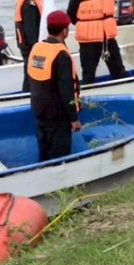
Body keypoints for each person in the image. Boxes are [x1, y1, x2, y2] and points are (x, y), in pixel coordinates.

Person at [26, 10, 81, 161]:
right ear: (64, 31)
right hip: (57, 115)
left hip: (39, 110)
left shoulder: (36, 48)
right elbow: (66, 90)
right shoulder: (61, 54)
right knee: (59, 155)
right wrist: (73, 118)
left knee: (44, 151)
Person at [67, 0, 127, 84]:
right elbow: (70, 14)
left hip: (108, 37)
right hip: (89, 39)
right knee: (88, 73)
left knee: (119, 69)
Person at [14, 0, 43, 91]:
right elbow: (30, 28)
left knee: (33, 70)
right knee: (31, 71)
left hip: (31, 44)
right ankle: (26, 94)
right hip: (30, 45)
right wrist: (36, 46)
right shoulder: (29, 4)